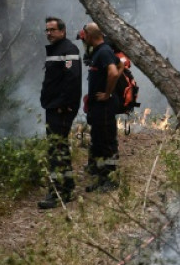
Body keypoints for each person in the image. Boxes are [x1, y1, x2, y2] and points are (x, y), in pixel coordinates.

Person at [38, 17, 83, 209]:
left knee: (56, 149)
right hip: (53, 107)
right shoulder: (56, 50)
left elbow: (72, 79)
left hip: (60, 109)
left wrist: (64, 105)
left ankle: (58, 192)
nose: (49, 33)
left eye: (53, 30)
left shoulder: (69, 50)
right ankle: (67, 187)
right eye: (47, 30)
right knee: (59, 147)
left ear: (62, 31)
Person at [82, 23, 121, 192]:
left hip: (104, 106)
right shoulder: (100, 51)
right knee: (98, 142)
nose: (84, 39)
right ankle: (101, 177)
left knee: (106, 143)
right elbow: (120, 65)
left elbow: (113, 72)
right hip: (97, 108)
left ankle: (111, 180)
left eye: (85, 36)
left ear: (91, 35)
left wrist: (107, 93)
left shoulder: (104, 51)